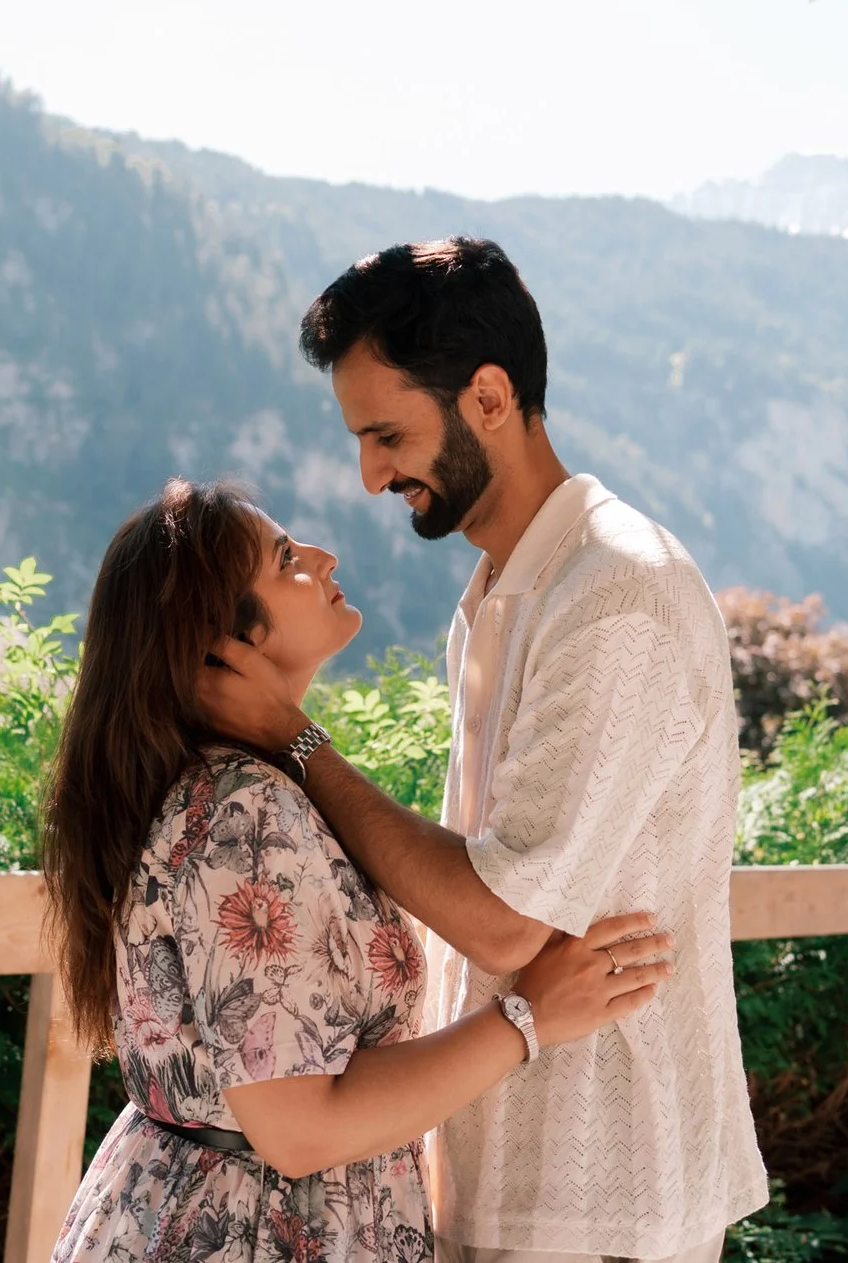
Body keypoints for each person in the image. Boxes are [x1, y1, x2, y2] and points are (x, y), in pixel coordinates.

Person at [199, 238, 767, 1263]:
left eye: (387, 433)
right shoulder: (513, 588)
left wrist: (294, 735)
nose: (370, 473)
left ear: (490, 396)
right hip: (502, 1162)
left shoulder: (614, 593)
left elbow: (502, 917)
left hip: (601, 1188)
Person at [43, 477, 675, 1263]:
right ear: (223, 640)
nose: (323, 554)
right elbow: (300, 1127)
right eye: (285, 559)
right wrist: (528, 1018)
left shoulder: (246, 790)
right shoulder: (243, 814)